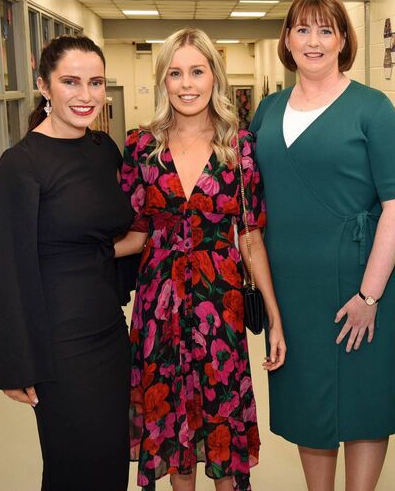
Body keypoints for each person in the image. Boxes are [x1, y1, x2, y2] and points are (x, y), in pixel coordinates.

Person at [249, 0, 395, 491]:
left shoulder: (372, 109)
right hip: (294, 289)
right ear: (287, 39)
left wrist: (371, 294)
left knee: (363, 403)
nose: (314, 40)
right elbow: (252, 204)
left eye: (326, 29)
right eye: (303, 28)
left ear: (344, 39)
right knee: (308, 405)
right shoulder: (267, 111)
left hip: (361, 282)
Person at [115, 28, 286, 491]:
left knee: (221, 426)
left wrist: (274, 315)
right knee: (174, 432)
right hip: (158, 307)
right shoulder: (141, 148)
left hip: (219, 308)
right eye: (175, 73)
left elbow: (250, 237)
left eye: (197, 71)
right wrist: (73, 250)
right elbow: (135, 233)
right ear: (163, 81)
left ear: (215, 76)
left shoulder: (240, 147)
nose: (187, 84)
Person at [0, 36, 133, 490]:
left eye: (96, 82)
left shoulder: (103, 151)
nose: (86, 95)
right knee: (74, 468)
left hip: (108, 331)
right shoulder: (21, 165)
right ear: (44, 86)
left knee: (110, 463)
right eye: (71, 82)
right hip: (59, 344)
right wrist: (12, 364)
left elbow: (108, 236)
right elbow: (1, 268)